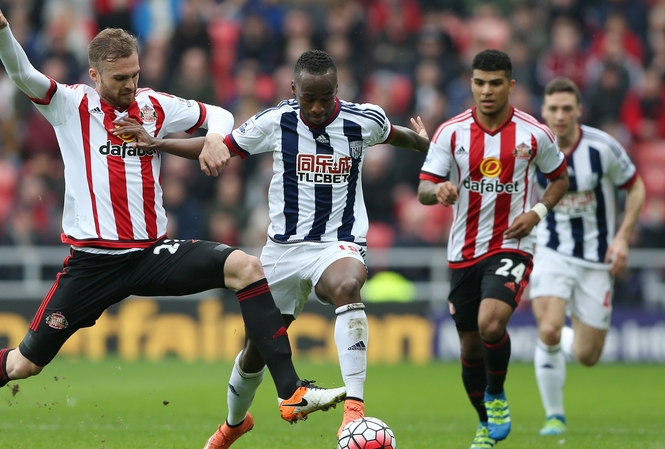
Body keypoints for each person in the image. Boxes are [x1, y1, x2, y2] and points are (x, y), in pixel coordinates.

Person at [0, 3, 346, 441]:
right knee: (24, 363)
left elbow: (217, 114)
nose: (130, 85)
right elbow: (23, 75)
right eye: (120, 78)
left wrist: (216, 138)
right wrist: (1, 28)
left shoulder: (154, 106)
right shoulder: (71, 105)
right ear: (94, 75)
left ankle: (291, 391)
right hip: (92, 264)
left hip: (149, 254)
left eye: (135, 75)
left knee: (247, 268)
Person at [113, 49, 430, 449]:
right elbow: (219, 147)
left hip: (339, 242)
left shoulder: (364, 118)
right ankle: (233, 424)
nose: (316, 107)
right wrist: (157, 142)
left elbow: (393, 134)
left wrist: (422, 144)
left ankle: (354, 408)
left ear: (338, 90)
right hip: (282, 251)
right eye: (308, 98)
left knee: (348, 285)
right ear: (293, 89)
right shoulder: (275, 121)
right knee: (255, 352)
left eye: (326, 97)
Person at [417, 49, 569, 449]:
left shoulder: (535, 133)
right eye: (480, 83)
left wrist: (536, 212)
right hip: (463, 250)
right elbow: (423, 188)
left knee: (490, 324)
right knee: (469, 345)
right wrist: (439, 190)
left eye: (496, 83)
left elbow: (559, 179)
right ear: (471, 83)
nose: (487, 91)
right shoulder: (450, 131)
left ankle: (497, 394)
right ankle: (485, 422)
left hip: (513, 243)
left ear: (511, 85)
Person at [531, 77, 645, 436]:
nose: (560, 115)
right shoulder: (530, 147)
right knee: (547, 328)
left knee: (587, 356)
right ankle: (554, 416)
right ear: (544, 111)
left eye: (567, 108)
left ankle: (568, 338)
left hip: (597, 258)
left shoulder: (602, 147)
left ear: (579, 110)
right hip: (550, 249)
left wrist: (623, 238)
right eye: (553, 109)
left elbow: (637, 187)